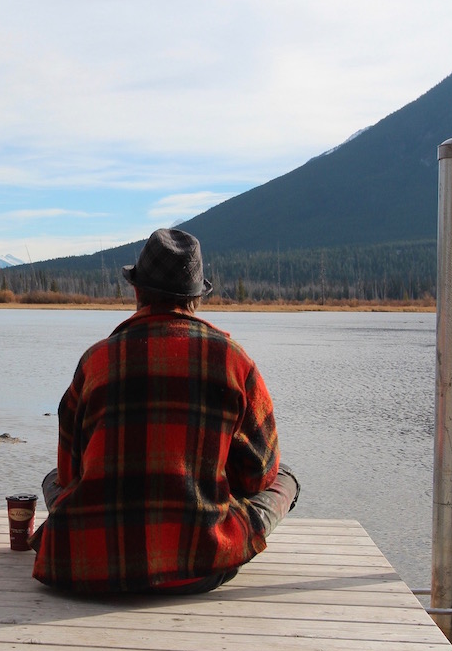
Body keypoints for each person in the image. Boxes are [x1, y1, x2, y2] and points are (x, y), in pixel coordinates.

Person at [30, 228, 300, 594]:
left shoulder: (96, 361)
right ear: (196, 299)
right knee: (285, 478)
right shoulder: (235, 362)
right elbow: (259, 475)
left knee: (51, 478)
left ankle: (75, 533)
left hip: (86, 566)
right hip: (202, 563)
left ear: (138, 291)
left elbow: (69, 471)